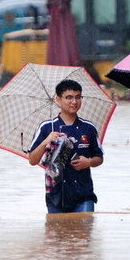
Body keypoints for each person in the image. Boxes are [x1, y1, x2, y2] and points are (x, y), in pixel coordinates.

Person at [28, 79, 104, 213]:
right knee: (57, 233)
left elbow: (99, 158)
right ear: (58, 99)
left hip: (83, 194)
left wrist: (88, 162)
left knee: (85, 232)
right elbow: (32, 160)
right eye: (69, 97)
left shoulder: (88, 128)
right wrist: (46, 141)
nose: (74, 102)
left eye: (78, 97)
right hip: (55, 194)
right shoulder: (46, 127)